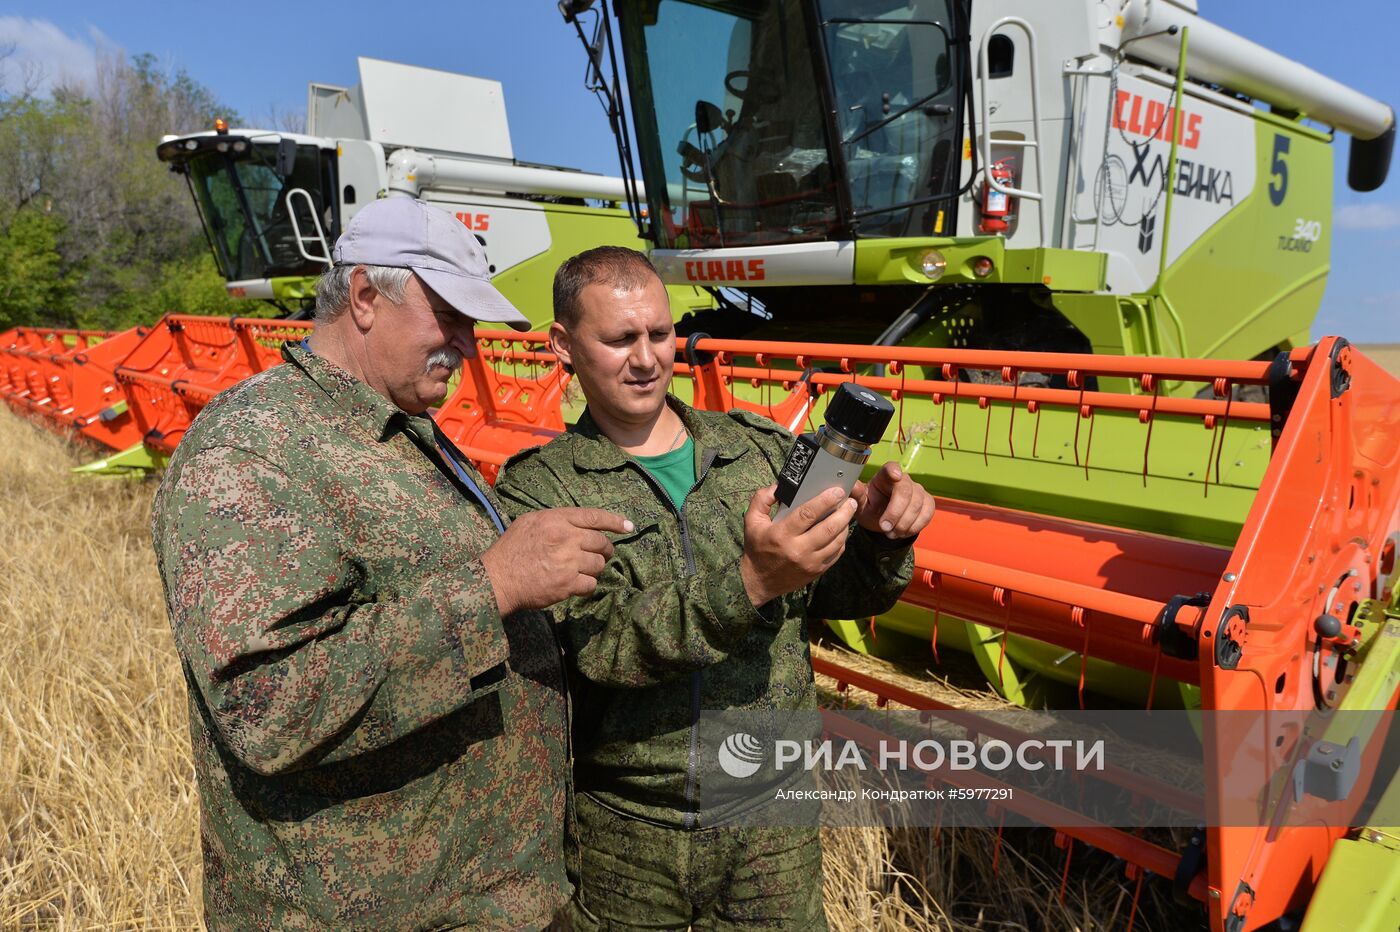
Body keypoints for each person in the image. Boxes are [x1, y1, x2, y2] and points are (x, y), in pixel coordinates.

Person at [151, 198, 630, 931]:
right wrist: (495, 584)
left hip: (488, 896)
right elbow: (270, 707)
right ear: (367, 297)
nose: (468, 345)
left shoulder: (400, 430)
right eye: (452, 317)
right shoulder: (252, 449)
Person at [495, 246, 935, 929]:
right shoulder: (542, 489)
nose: (646, 359)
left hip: (772, 829)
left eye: (660, 334)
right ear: (562, 345)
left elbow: (836, 596)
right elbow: (602, 644)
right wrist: (754, 580)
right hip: (631, 831)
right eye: (619, 339)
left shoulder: (757, 448)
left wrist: (880, 537)